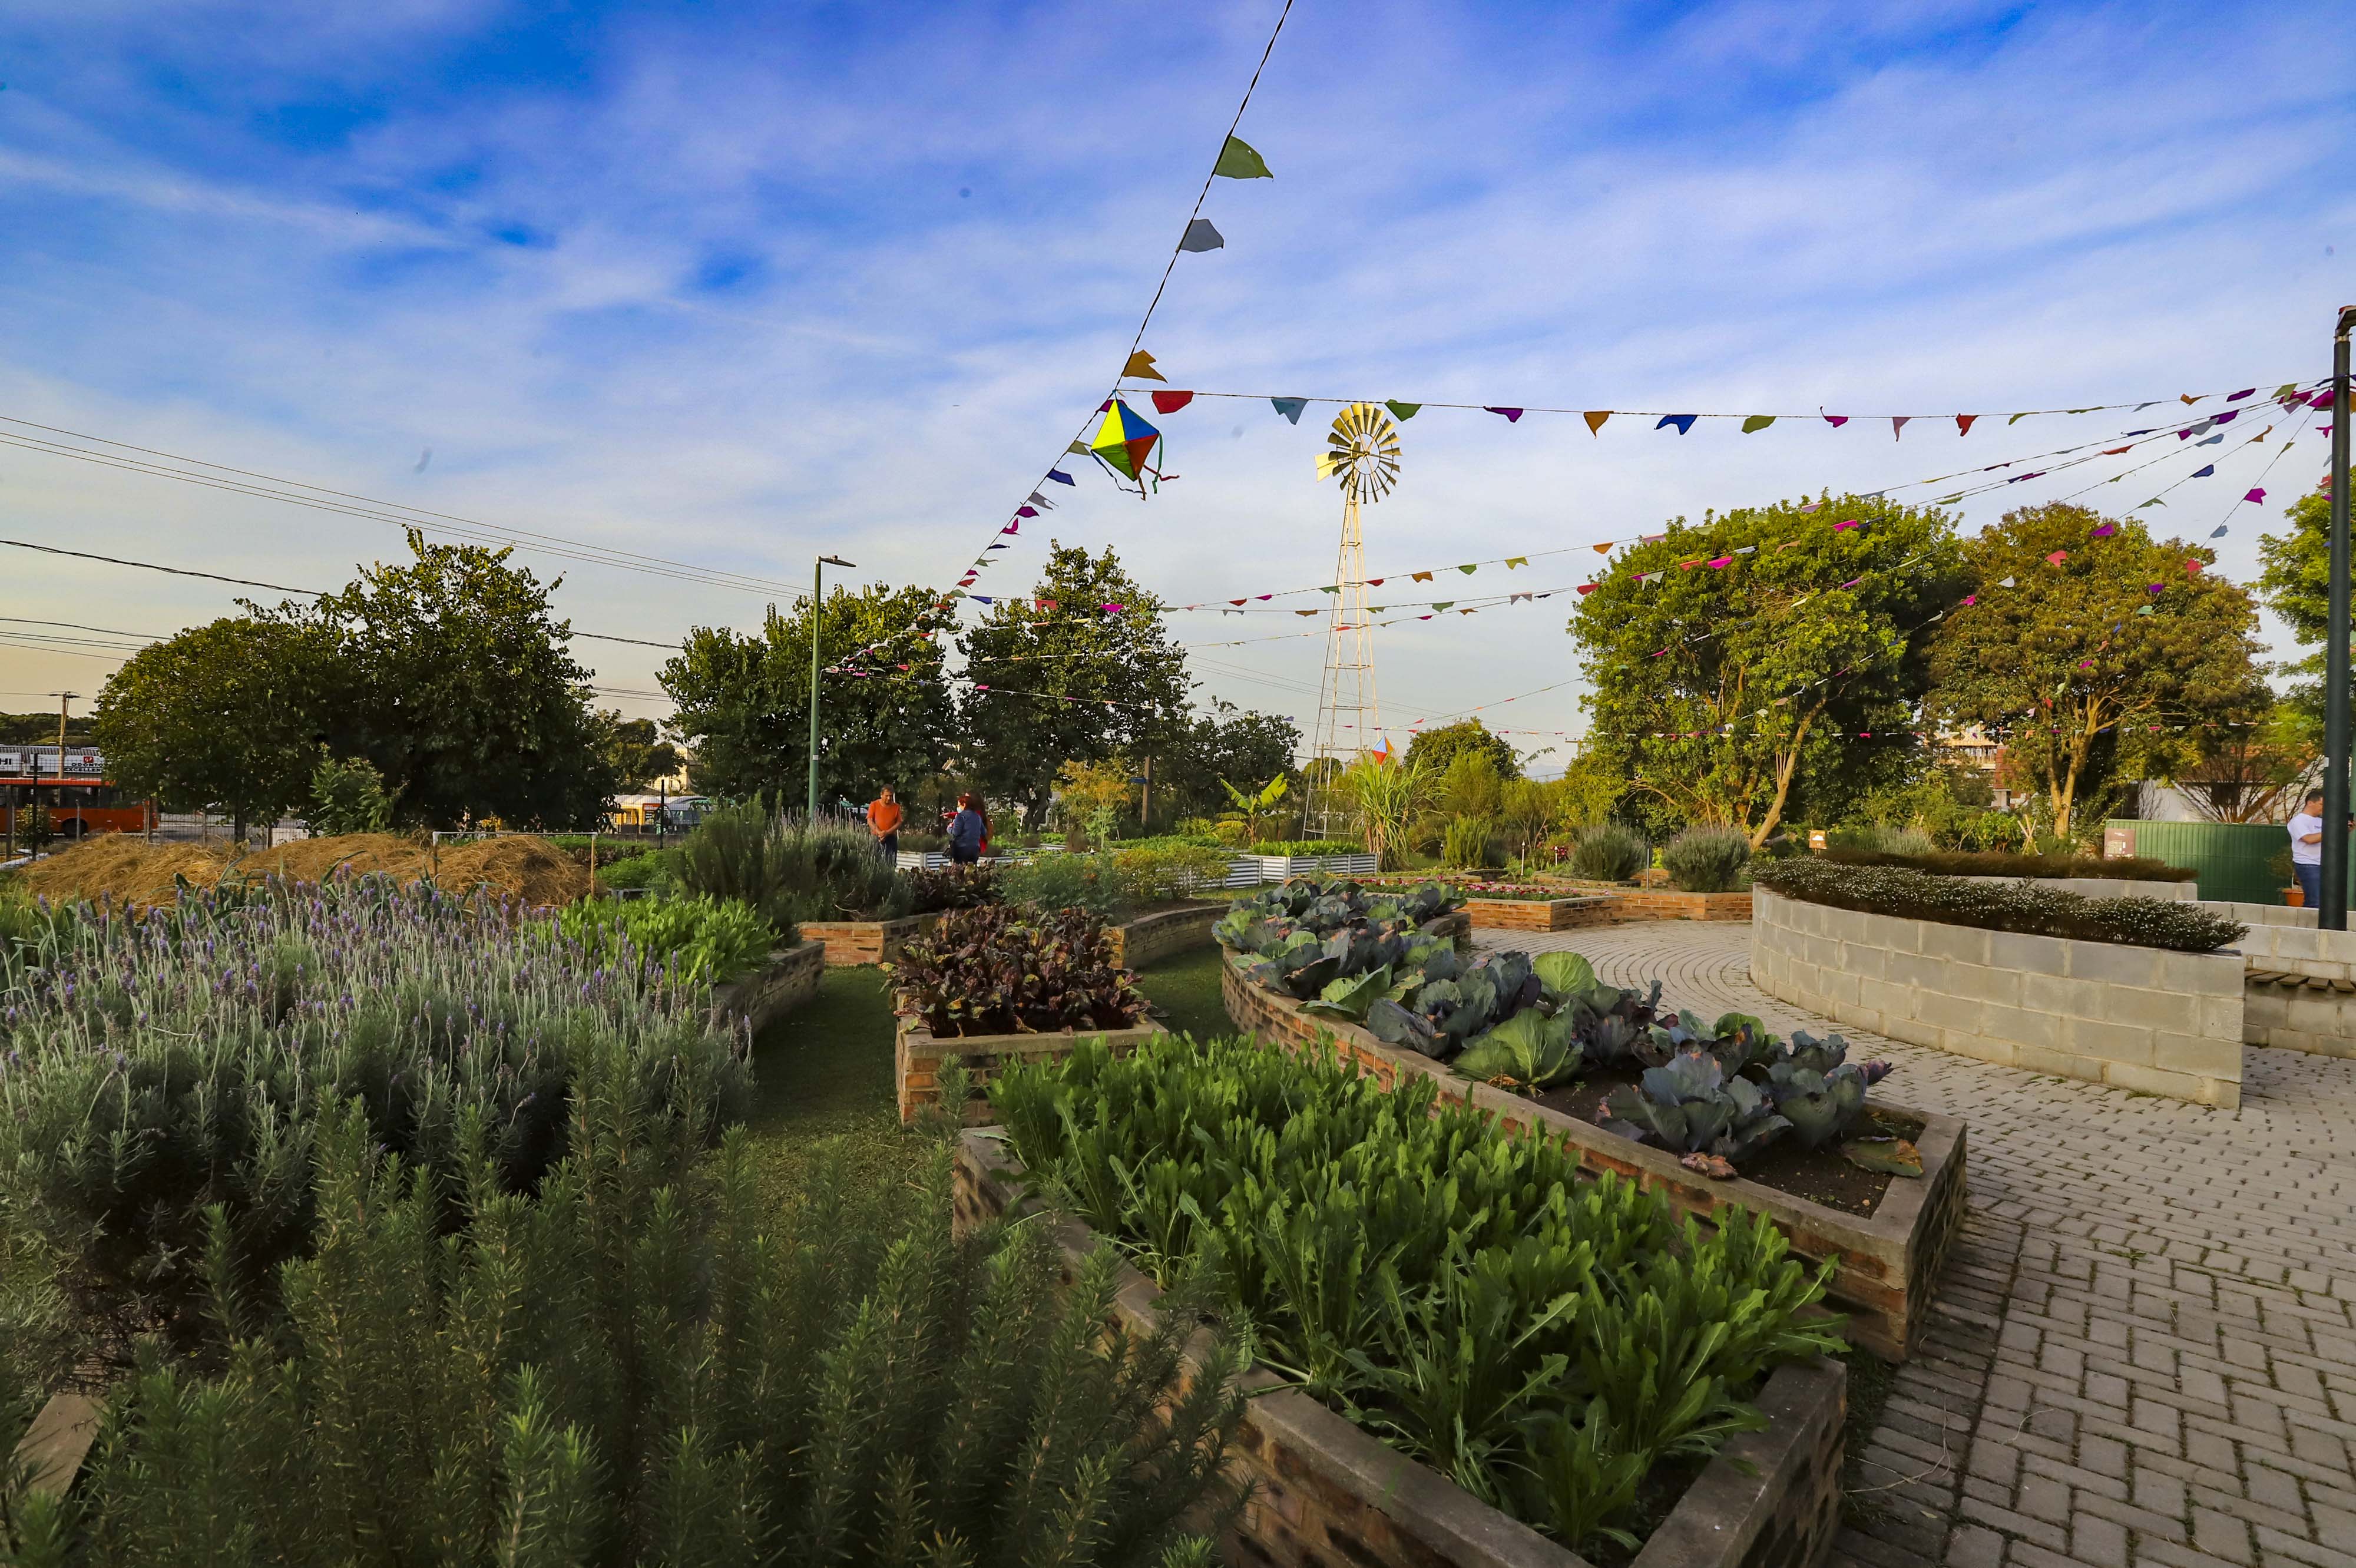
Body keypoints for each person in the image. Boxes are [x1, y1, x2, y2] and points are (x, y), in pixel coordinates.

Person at [2289, 788, 2325, 908]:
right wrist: (2333, 831)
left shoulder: (2322, 821)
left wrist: (2344, 830)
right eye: (2321, 804)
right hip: (2308, 864)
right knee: (2315, 901)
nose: (2323, 807)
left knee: (2323, 900)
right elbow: (2309, 839)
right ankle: (2308, 924)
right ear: (2310, 803)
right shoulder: (2298, 821)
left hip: (2323, 863)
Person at [947, 792, 988, 866]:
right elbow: (984, 832)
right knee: (971, 871)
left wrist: (949, 828)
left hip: (961, 849)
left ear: (964, 805)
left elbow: (956, 833)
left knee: (960, 871)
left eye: (959, 805)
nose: (958, 808)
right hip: (975, 849)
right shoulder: (977, 817)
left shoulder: (960, 816)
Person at [866, 785, 904, 862]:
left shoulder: (896, 807)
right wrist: (880, 833)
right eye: (887, 796)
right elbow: (870, 820)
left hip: (891, 838)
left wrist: (887, 833)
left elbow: (899, 823)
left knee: (891, 862)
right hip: (876, 838)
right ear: (881, 795)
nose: (889, 798)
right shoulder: (874, 805)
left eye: (891, 796)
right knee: (875, 862)